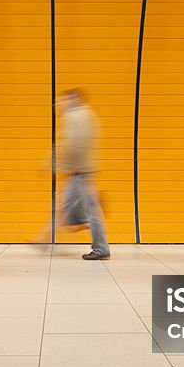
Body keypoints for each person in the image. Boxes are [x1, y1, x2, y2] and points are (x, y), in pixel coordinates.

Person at [59, 89, 110, 260]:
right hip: (82, 169)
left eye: (64, 100)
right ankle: (85, 222)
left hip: (80, 170)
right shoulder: (89, 115)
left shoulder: (75, 116)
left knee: (91, 210)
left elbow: (75, 144)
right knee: (67, 207)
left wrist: (66, 167)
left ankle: (101, 248)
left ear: (74, 99)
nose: (61, 104)